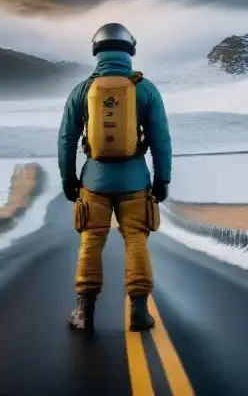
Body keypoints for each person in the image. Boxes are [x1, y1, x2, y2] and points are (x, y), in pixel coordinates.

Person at [58, 22, 172, 333]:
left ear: (97, 50)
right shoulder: (144, 88)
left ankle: (84, 312)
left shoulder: (82, 90)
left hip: (93, 183)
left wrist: (69, 179)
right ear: (130, 50)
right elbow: (160, 139)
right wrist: (162, 180)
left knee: (91, 240)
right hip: (135, 182)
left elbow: (67, 138)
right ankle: (138, 312)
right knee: (136, 240)